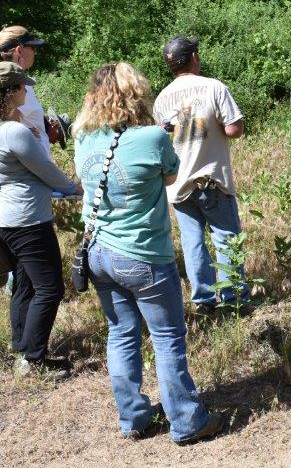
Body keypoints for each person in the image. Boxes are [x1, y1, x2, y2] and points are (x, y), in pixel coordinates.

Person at [73, 62, 226, 444]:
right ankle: (187, 421)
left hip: (99, 253)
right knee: (166, 337)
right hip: (143, 255)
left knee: (121, 334)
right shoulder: (152, 139)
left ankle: (133, 419)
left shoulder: (83, 139)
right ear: (136, 93)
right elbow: (172, 176)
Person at [0, 62, 80, 377]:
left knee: (25, 285)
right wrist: (73, 187)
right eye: (21, 86)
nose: (26, 91)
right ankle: (34, 360)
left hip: (3, 218)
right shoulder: (13, 131)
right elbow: (46, 170)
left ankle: (22, 347)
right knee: (50, 288)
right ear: (11, 91)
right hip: (28, 219)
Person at [153, 36, 248, 314]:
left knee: (192, 242)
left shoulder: (162, 98)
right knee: (226, 236)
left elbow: (163, 136)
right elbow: (234, 129)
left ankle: (203, 300)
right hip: (211, 177)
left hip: (179, 183)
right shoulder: (213, 87)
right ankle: (232, 298)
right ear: (194, 57)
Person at [0, 26, 66, 206]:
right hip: (26, 182)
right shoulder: (12, 85)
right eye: (33, 47)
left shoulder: (11, 80)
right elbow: (5, 120)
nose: (35, 53)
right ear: (19, 50)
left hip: (28, 179)